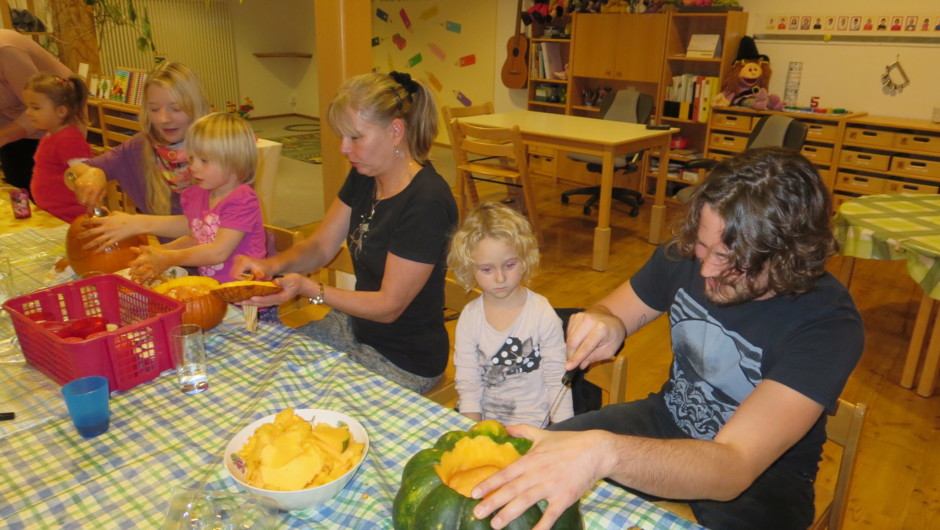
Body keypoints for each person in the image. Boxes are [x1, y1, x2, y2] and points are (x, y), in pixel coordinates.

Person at [470, 147, 865, 530]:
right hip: (670, 418)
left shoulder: (828, 323)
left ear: (787, 258)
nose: (707, 268)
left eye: (730, 259)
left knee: (586, 458)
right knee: (529, 461)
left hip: (766, 479)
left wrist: (604, 453)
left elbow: (733, 465)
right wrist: (606, 322)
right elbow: (611, 312)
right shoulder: (687, 256)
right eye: (704, 245)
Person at [233, 71, 457, 393]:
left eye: (354, 137)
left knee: (310, 400)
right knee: (271, 368)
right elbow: (322, 246)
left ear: (396, 131)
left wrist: (310, 289)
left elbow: (388, 306)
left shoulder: (427, 202)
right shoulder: (365, 176)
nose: (342, 148)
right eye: (341, 136)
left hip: (404, 358)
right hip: (355, 327)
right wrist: (272, 265)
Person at [447, 202, 571, 427]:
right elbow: (469, 383)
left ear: (524, 260)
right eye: (487, 269)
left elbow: (557, 381)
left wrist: (563, 433)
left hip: (534, 427)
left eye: (509, 265)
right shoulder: (469, 317)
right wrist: (474, 433)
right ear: (470, 268)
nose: (500, 278)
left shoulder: (542, 314)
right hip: (484, 424)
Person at [65, 61, 211, 248]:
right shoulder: (139, 147)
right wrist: (90, 173)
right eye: (154, 109)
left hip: (226, 268)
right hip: (171, 262)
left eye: (175, 108)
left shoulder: (220, 150)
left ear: (195, 108)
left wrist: (138, 223)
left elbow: (213, 223)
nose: (163, 119)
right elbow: (72, 173)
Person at [126, 112, 265, 283]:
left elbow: (218, 252)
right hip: (214, 290)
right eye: (191, 158)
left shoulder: (242, 199)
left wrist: (170, 257)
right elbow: (196, 238)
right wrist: (161, 251)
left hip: (247, 297)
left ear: (235, 162)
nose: (193, 167)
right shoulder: (197, 195)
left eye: (204, 160)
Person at [0, 29, 73, 190]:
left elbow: (39, 108)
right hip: (14, 132)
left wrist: (3, 136)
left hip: (53, 129)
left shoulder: (7, 51)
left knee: (52, 194)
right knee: (20, 195)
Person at [23, 73, 91, 223]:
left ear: (61, 111)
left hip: (70, 217)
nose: (28, 113)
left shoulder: (69, 139)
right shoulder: (51, 136)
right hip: (53, 214)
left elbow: (85, 175)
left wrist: (69, 180)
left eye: (35, 108)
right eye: (27, 107)